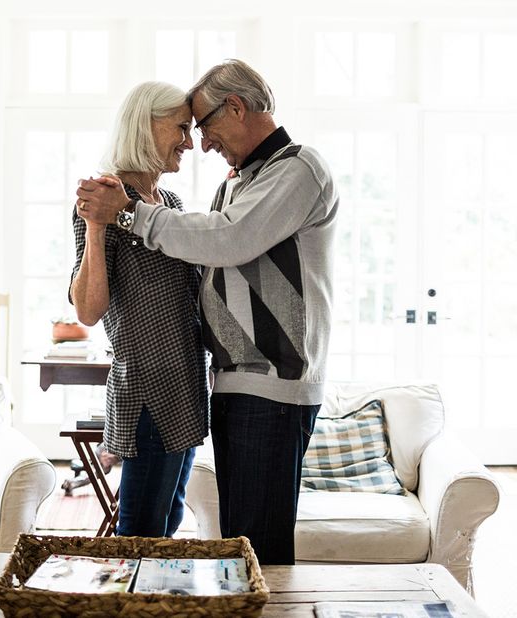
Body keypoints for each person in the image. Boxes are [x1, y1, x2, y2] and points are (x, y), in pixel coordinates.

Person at [75, 60, 338, 564]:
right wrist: (103, 222)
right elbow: (94, 304)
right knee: (215, 534)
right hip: (199, 384)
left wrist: (129, 214)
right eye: (183, 128)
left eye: (202, 126)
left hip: (262, 383)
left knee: (248, 542)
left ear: (235, 107)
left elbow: (227, 239)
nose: (200, 143)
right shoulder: (237, 181)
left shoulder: (295, 168)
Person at [69, 81, 208, 538]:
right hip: (148, 389)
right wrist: (94, 228)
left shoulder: (169, 203)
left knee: (168, 522)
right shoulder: (106, 196)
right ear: (146, 126)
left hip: (187, 382)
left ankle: (161, 606)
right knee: (140, 532)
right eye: (181, 129)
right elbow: (88, 311)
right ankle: (133, 608)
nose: (189, 142)